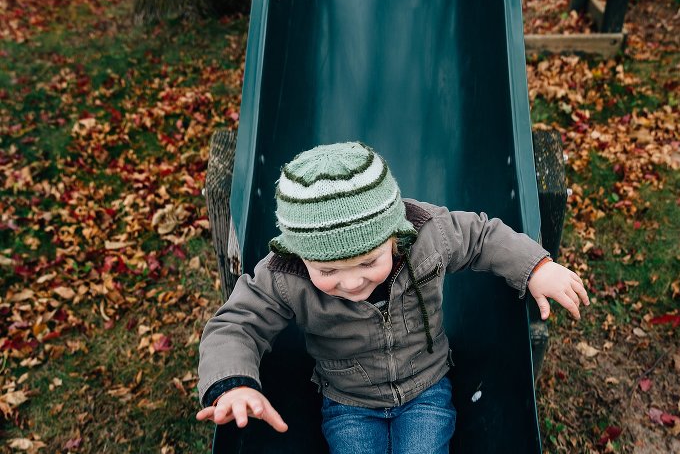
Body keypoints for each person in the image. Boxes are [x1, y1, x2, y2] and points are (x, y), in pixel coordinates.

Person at [196, 142, 589, 453]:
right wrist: (232, 383)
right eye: (328, 270)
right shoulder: (284, 274)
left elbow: (483, 237)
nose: (350, 283)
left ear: (394, 235)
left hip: (425, 387)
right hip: (347, 399)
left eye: (368, 261)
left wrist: (536, 266)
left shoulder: (427, 234)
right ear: (299, 253)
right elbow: (236, 324)